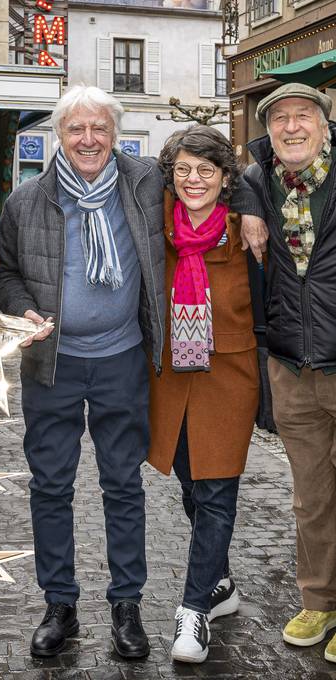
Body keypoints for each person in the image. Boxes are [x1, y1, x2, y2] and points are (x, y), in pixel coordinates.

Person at [0, 84, 265, 661]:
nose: (88, 139)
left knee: (123, 485)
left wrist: (254, 214)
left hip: (123, 359)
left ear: (115, 135)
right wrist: (21, 308)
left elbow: (217, 181)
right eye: (76, 129)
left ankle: (126, 604)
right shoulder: (26, 201)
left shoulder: (144, 182)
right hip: (53, 363)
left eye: (100, 129)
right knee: (50, 485)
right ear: (58, 135)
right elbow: (9, 272)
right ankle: (58, 604)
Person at [148, 125, 259, 663]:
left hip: (229, 377)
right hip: (172, 379)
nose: (194, 180)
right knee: (193, 489)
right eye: (184, 170)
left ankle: (192, 612)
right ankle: (218, 583)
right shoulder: (155, 229)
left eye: (206, 170)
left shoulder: (246, 232)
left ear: (224, 179)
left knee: (217, 493)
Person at [245, 82, 336, 665]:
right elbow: (196, 175)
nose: (293, 126)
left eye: (304, 116)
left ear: (326, 125)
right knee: (312, 496)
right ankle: (318, 599)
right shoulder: (258, 182)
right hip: (291, 364)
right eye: (280, 119)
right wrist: (249, 208)